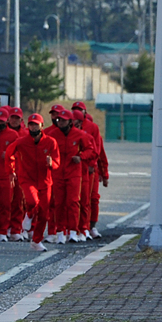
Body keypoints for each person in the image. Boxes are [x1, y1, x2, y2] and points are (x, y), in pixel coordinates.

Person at [6, 112, 61, 251]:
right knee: (32, 202)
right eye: (31, 124)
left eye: (36, 125)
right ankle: (29, 214)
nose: (33, 127)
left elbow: (57, 161)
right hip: (27, 179)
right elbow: (8, 153)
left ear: (42, 126)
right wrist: (11, 171)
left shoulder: (50, 142)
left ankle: (36, 241)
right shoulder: (22, 141)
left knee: (44, 213)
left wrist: (51, 163)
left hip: (45, 181)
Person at [47, 105, 95, 244]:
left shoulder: (79, 135)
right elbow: (45, 148)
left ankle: (74, 231)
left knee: (73, 202)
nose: (60, 122)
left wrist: (81, 157)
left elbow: (90, 149)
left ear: (70, 122)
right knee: (59, 203)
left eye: (63, 120)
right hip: (57, 173)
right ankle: (60, 232)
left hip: (74, 173)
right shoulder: (53, 134)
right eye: (59, 120)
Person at [71, 102, 108, 238]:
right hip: (71, 169)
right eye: (74, 111)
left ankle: (89, 227)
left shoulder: (92, 128)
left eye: (79, 111)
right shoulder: (66, 129)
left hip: (88, 168)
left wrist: (103, 172)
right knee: (71, 200)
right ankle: (69, 229)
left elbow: (97, 150)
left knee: (90, 199)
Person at [0, 107, 20, 240]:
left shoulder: (13, 135)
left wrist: (9, 155)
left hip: (6, 173)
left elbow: (20, 152)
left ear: (7, 120)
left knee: (6, 203)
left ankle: (3, 229)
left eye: (2, 120)